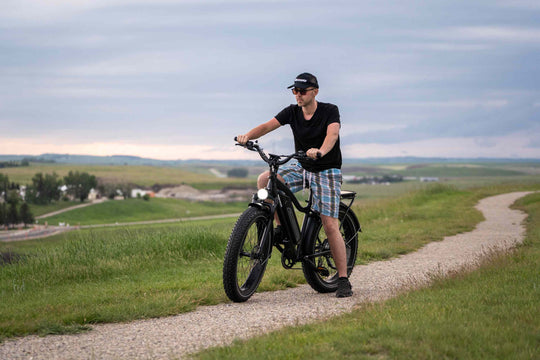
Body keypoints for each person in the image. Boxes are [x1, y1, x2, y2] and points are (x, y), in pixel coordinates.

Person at [236, 72, 353, 298]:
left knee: (329, 224)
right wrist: (247, 137)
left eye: (302, 91)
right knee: (266, 180)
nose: (298, 95)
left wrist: (320, 151)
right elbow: (267, 126)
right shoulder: (292, 111)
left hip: (325, 168)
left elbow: (333, 134)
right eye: (294, 91)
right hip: (302, 167)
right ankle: (280, 227)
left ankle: (342, 278)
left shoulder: (330, 110)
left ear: (315, 92)